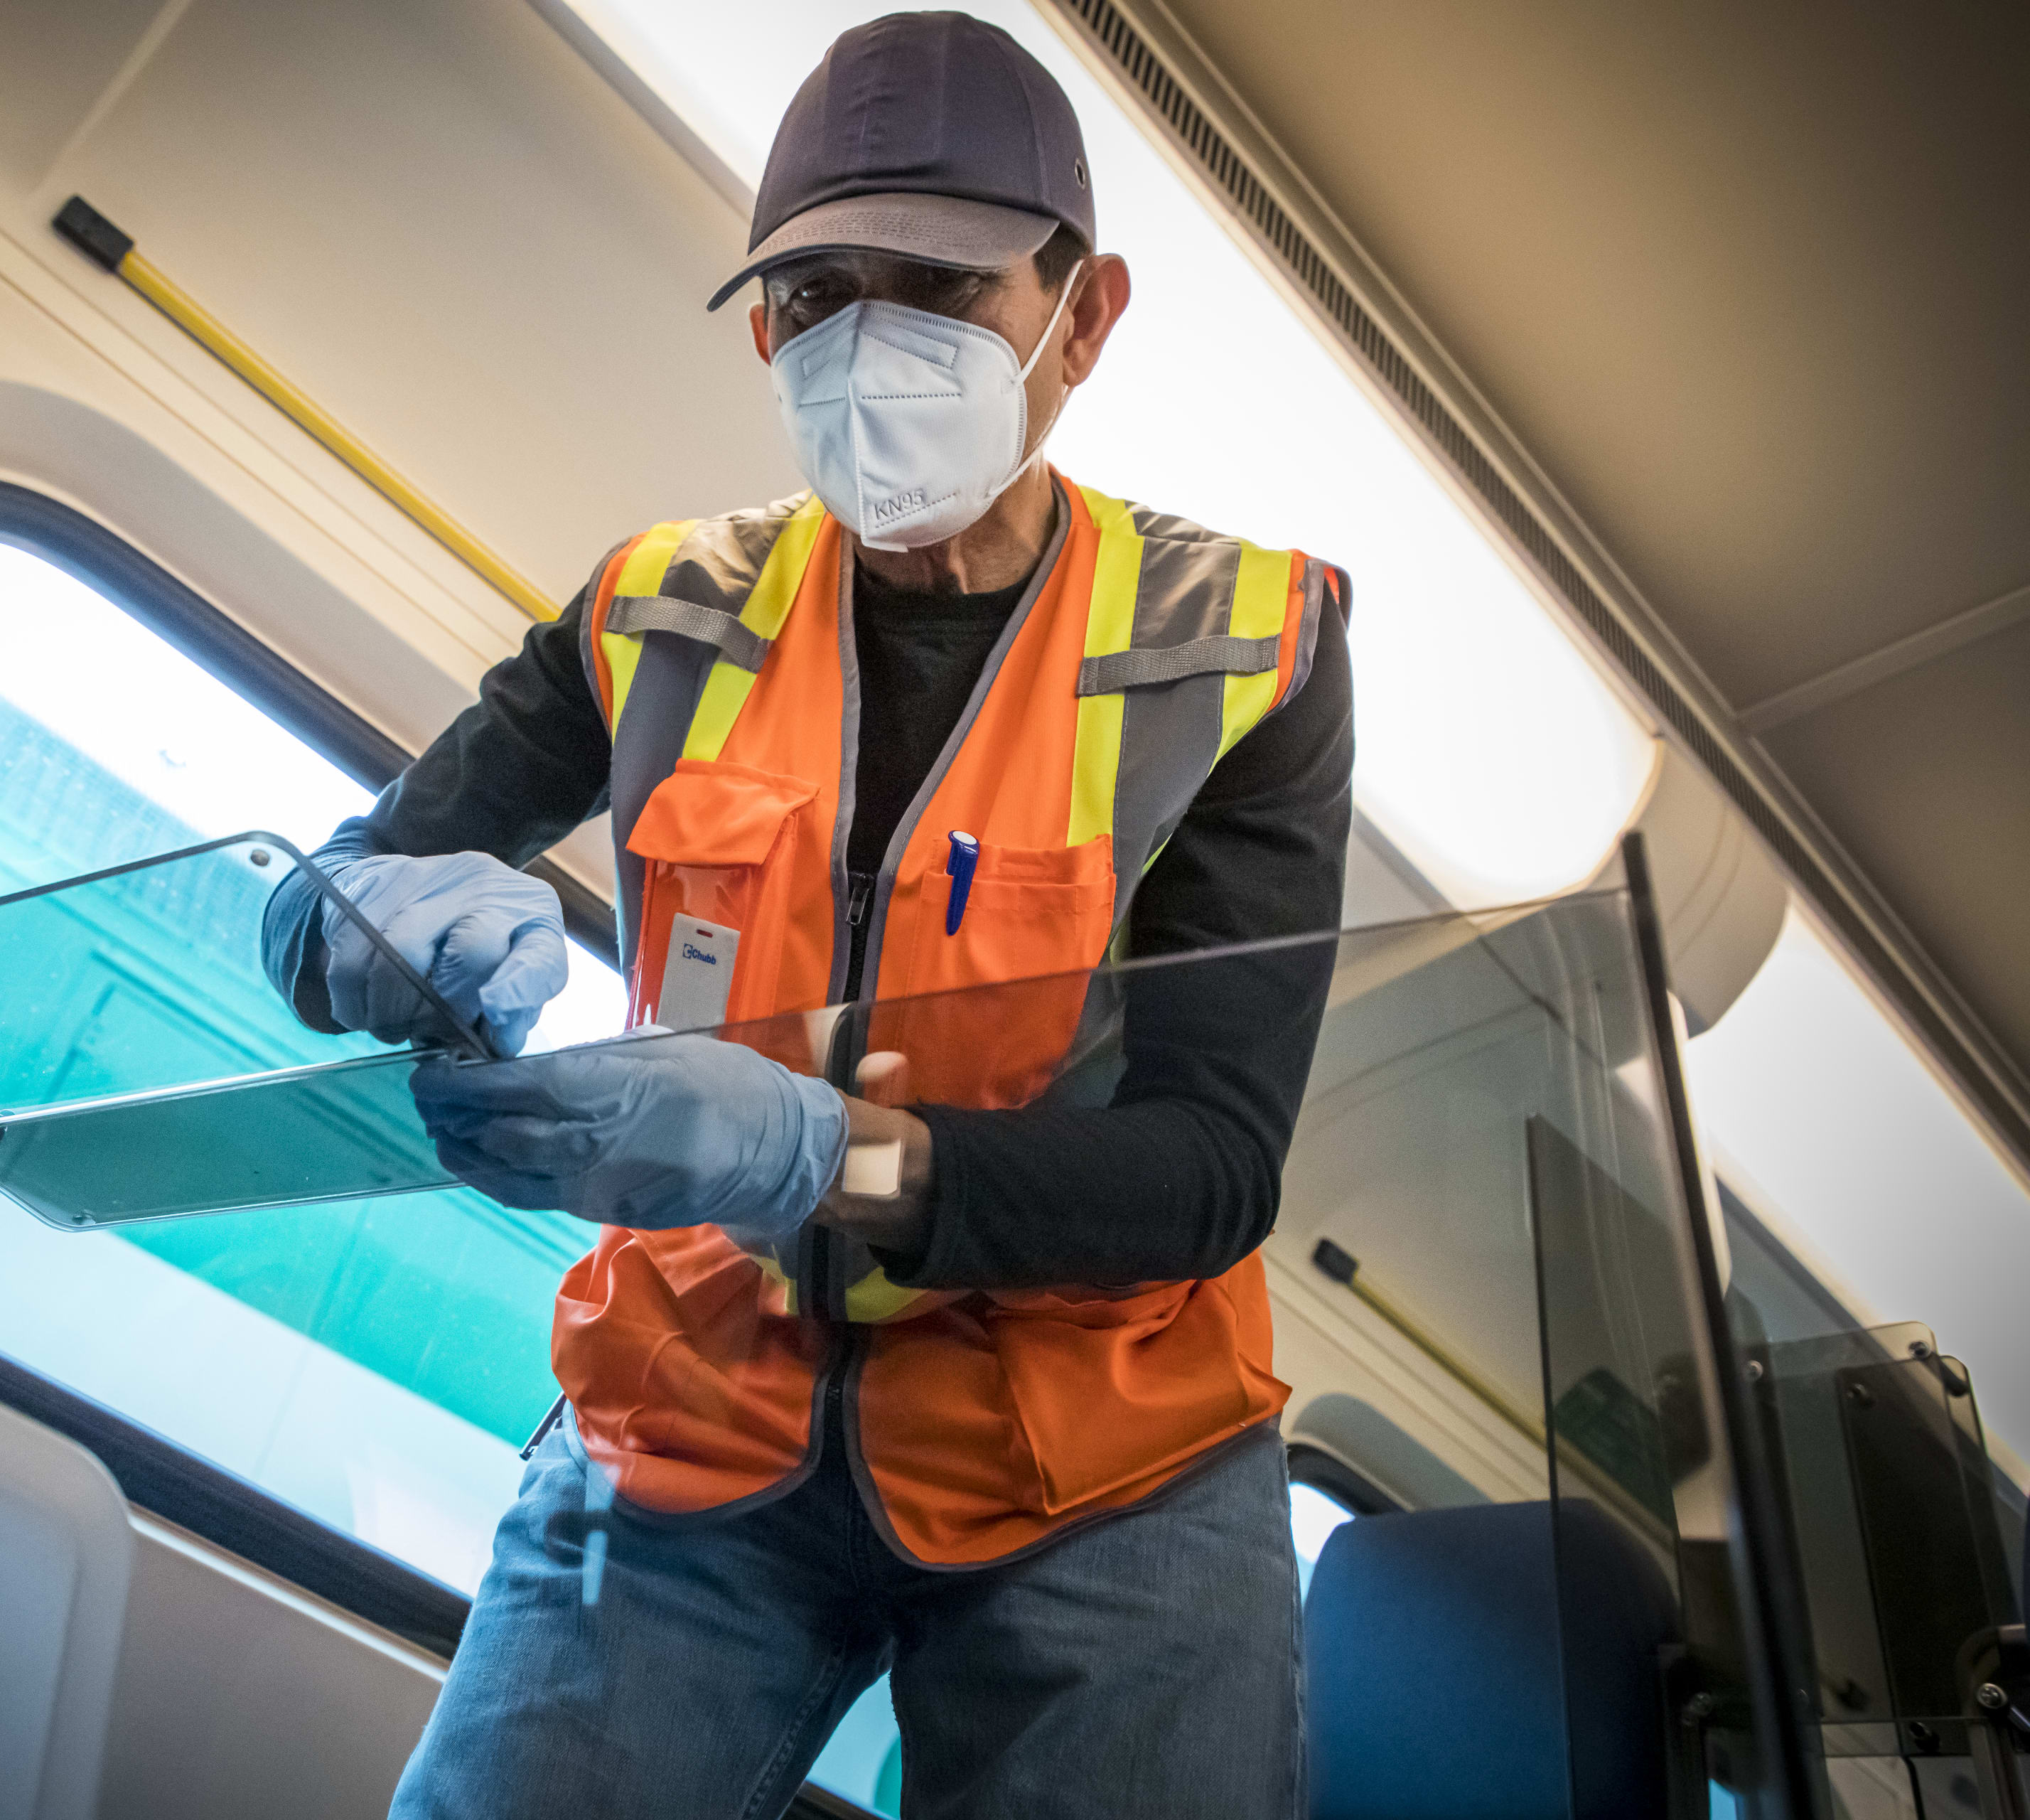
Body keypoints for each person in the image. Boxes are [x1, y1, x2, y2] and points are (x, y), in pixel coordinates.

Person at [262, 14, 1353, 1816]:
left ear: (1083, 320)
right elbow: (330, 889)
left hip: (1104, 1458)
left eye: (937, 286)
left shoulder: (1246, 646)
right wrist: (361, 929)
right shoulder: (655, 606)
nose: (865, 346)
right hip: (696, 1406)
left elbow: (1212, 1169)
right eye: (817, 293)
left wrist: (826, 1155)